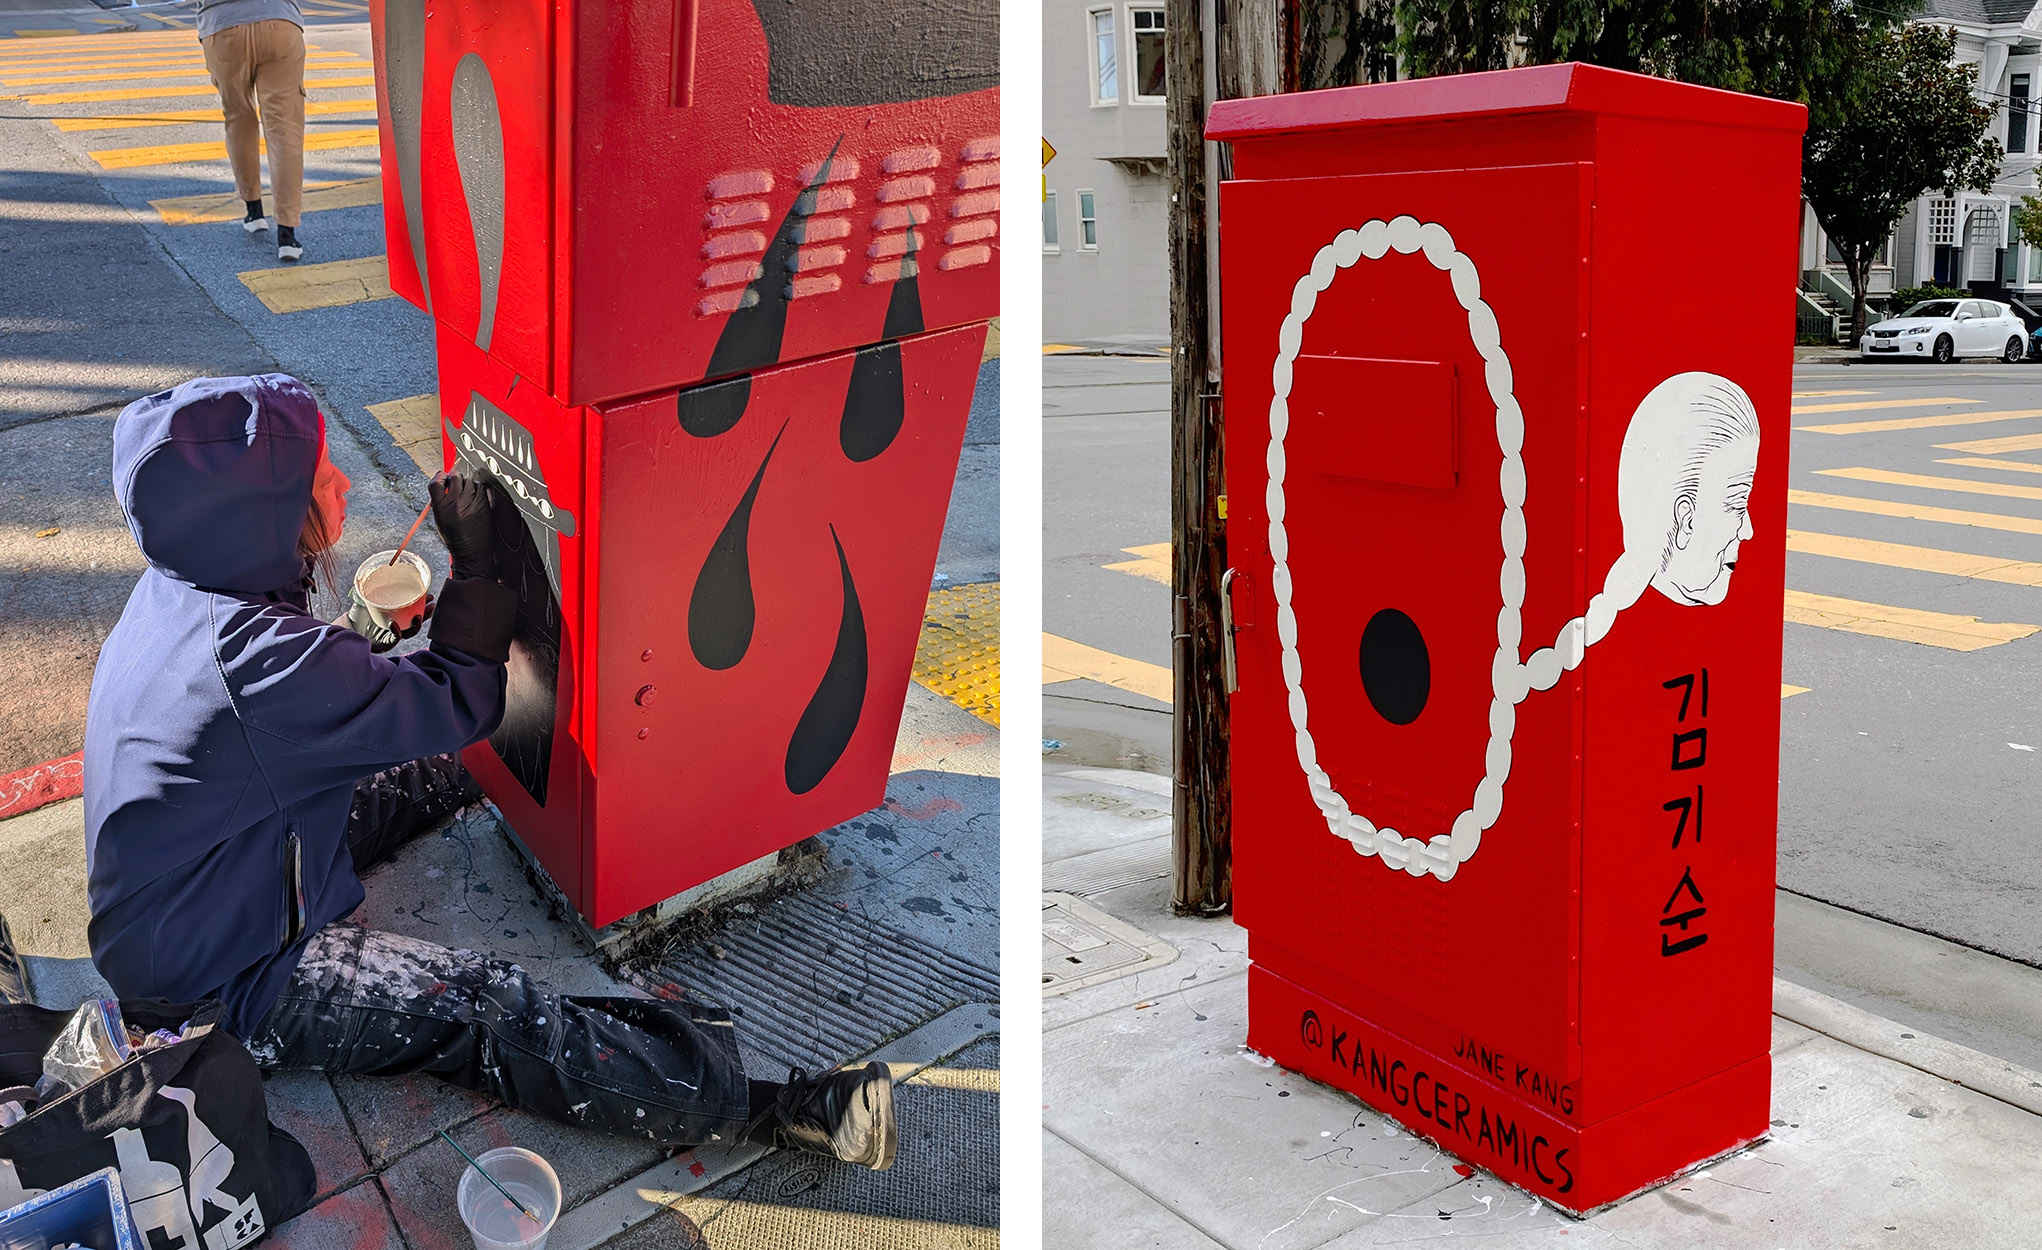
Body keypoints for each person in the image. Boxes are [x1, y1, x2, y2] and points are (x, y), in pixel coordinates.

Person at [78, 374, 896, 1169]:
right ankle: (773, 1111)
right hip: (219, 971)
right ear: (261, 515)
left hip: (212, 876)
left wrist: (368, 629)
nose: (345, 482)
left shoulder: (184, 588)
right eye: (323, 476)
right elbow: (462, 700)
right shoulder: (263, 663)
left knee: (425, 770)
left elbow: (284, 705)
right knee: (482, 1005)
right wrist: (475, 571)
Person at [195, 0, 309, 263]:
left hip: (222, 27)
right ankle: (287, 235)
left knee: (238, 118)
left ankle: (254, 212)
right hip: (279, 22)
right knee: (284, 127)